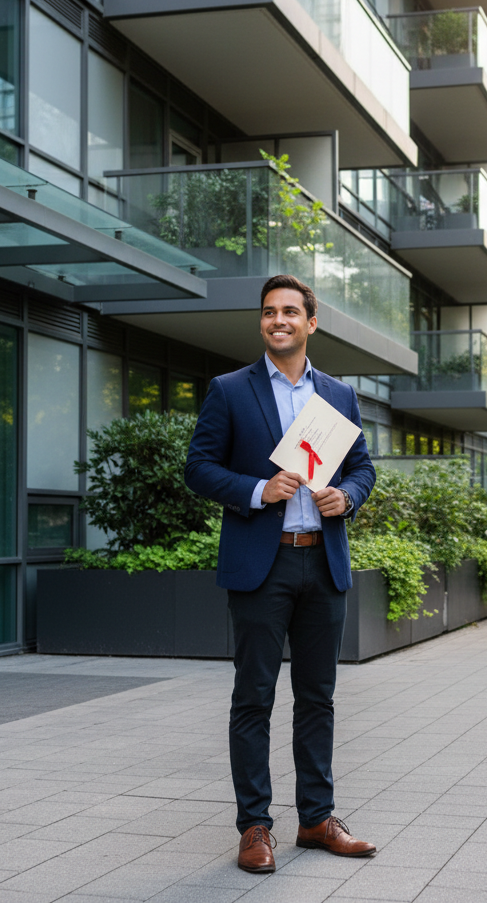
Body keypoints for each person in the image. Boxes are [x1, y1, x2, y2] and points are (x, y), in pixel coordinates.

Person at [185, 274, 377, 874]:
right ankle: (255, 827)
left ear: (311, 323)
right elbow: (199, 468)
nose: (279, 321)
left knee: (317, 698)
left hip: (322, 560)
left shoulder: (339, 397)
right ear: (262, 324)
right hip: (261, 565)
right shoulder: (230, 390)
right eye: (269, 312)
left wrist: (346, 497)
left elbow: (363, 469)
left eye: (291, 312)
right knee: (255, 698)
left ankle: (317, 819)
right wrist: (256, 489)